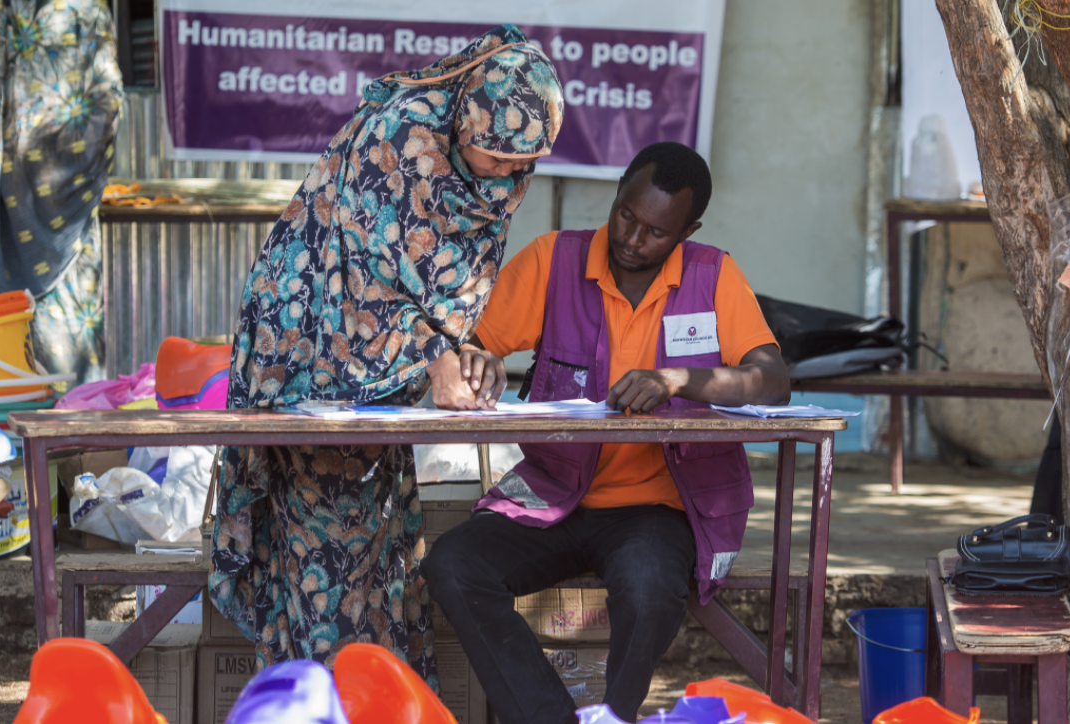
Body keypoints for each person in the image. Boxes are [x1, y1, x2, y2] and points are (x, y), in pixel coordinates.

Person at [209, 25, 564, 689]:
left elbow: (445, 285)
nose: (508, 180)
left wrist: (458, 351)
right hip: (310, 358)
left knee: (381, 554)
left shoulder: (491, 156)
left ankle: (356, 694)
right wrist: (435, 355)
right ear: (463, 124)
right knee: (331, 557)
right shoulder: (395, 144)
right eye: (494, 159)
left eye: (525, 165)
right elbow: (365, 280)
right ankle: (329, 696)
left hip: (379, 383)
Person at [422, 141, 791, 724]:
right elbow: (474, 345)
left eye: (655, 232)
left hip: (659, 510)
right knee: (452, 565)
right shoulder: (553, 261)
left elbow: (771, 382)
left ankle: (614, 715)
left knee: (648, 592)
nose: (632, 239)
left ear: (687, 231)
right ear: (617, 191)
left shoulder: (712, 275)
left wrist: (679, 378)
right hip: (552, 495)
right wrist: (476, 361)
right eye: (626, 215)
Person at [0, 0, 123, 387]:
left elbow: (101, 108)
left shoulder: (76, 11)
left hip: (55, 240)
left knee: (54, 385)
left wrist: (5, 112)